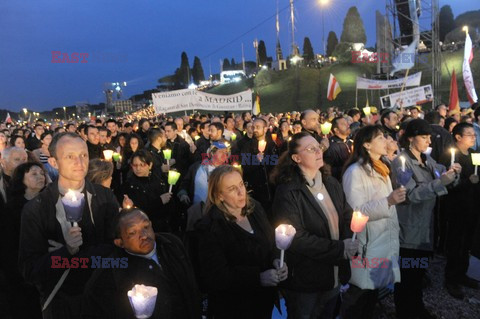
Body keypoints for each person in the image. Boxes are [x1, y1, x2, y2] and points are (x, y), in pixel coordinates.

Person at [18, 132, 120, 319]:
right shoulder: (36, 209)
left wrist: (71, 258)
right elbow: (30, 270)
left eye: (83, 155)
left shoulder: (105, 197)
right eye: (70, 157)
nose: (80, 163)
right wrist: (66, 251)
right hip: (62, 304)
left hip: (104, 299)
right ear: (54, 162)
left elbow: (116, 251)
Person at [270, 132, 356, 318]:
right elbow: (296, 237)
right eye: (311, 149)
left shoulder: (331, 182)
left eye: (319, 147)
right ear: (296, 158)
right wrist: (339, 248)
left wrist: (350, 239)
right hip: (306, 280)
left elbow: (346, 216)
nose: (319, 151)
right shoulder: (288, 191)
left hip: (334, 274)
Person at [195, 165, 288, 319]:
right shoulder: (210, 227)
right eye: (232, 189)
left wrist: (277, 260)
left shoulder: (255, 209)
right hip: (234, 308)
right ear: (219, 196)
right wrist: (258, 277)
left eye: (241, 185)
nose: (241, 192)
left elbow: (271, 242)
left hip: (263, 303)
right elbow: (215, 276)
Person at [391, 119, 458, 319]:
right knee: (407, 278)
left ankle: (417, 309)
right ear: (410, 138)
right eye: (423, 136)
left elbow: (444, 180)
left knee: (418, 274)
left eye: (429, 136)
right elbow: (410, 195)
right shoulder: (401, 162)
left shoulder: (427, 161)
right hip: (409, 231)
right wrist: (440, 182)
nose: (428, 140)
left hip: (426, 230)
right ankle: (405, 312)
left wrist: (453, 175)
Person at [82, 208, 201, 319]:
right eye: (133, 233)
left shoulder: (172, 244)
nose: (144, 236)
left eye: (146, 226)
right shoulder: (112, 272)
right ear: (120, 242)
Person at [341, 125, 407, 319]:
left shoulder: (382, 166)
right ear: (367, 145)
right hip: (367, 244)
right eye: (379, 138)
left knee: (371, 295)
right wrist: (388, 201)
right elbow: (356, 212)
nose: (385, 140)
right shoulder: (355, 172)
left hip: (382, 240)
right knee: (358, 297)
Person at [439, 122, 479, 299]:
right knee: (456, 242)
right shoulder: (451, 156)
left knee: (467, 242)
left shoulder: (473, 154)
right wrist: (468, 181)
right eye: (469, 134)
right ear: (458, 137)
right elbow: (447, 185)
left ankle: (462, 274)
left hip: (472, 206)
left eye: (474, 134)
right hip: (456, 208)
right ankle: (451, 278)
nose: (473, 137)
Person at [2, 162, 48, 319]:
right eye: (34, 174)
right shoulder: (13, 209)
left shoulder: (49, 203)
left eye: (41, 173)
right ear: (21, 179)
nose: (40, 177)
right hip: (24, 272)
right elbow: (9, 244)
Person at [120, 149, 174, 233]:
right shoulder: (129, 185)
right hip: (142, 230)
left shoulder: (159, 180)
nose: (138, 168)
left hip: (162, 228)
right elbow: (139, 209)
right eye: (135, 165)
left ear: (150, 165)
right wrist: (159, 201)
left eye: (142, 165)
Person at [323, 116, 353, 181]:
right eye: (343, 124)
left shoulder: (351, 142)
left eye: (347, 123)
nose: (347, 125)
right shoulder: (331, 146)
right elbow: (328, 169)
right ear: (336, 130)